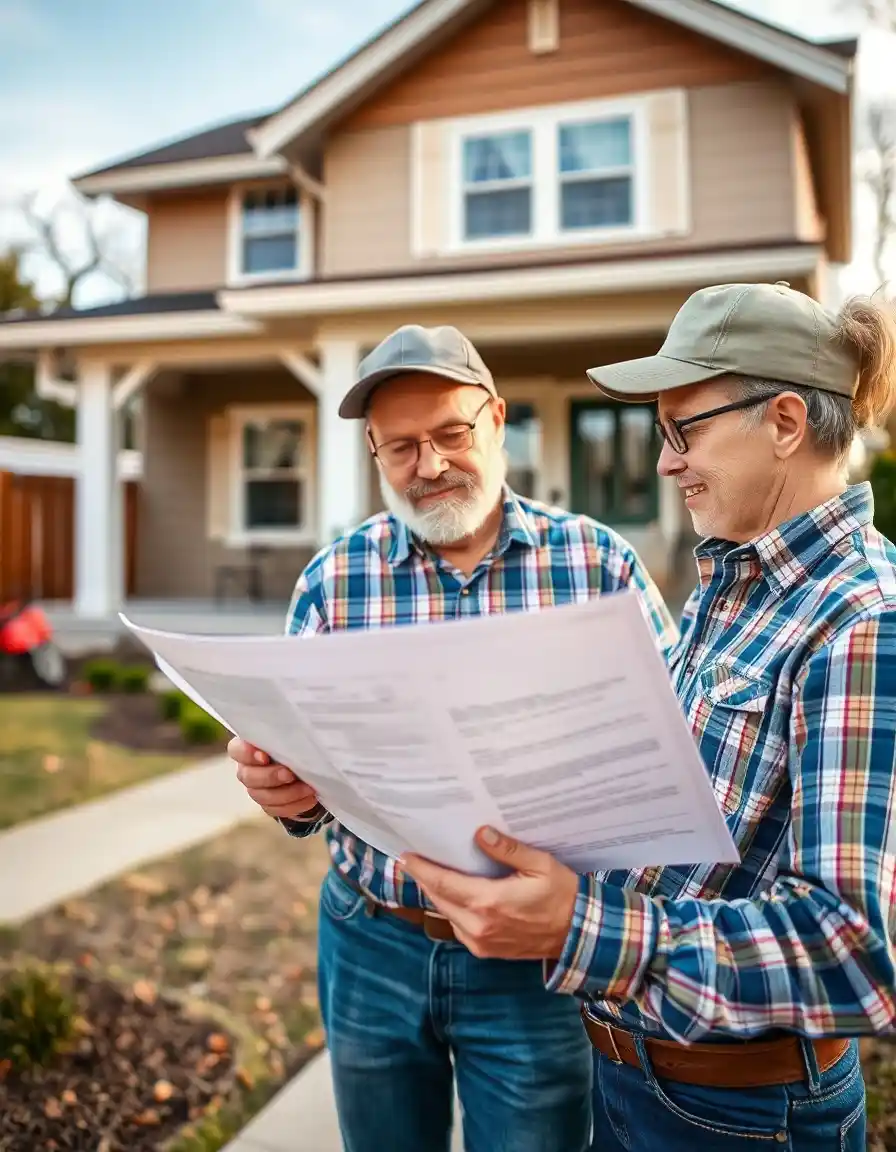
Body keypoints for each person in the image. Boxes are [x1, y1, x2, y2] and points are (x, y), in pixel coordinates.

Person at [398, 282, 896, 1152]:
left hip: (742, 1115)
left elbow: (851, 952)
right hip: (641, 1079)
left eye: (683, 429)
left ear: (784, 420)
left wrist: (578, 926)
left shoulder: (862, 621)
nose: (663, 462)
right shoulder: (735, 583)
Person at [228, 323, 679, 1152]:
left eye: (450, 434)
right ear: (374, 454)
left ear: (498, 419)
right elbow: (307, 779)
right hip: (372, 938)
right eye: (400, 447)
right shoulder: (333, 582)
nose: (429, 465)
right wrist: (281, 789)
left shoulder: (599, 568)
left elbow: (678, 754)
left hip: (535, 960)